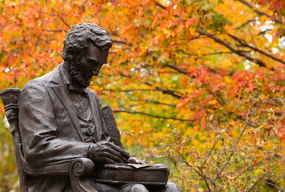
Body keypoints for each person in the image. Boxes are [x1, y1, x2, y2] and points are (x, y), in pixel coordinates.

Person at [19, 23, 179, 192]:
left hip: (100, 178)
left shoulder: (91, 96)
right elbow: (37, 148)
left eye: (101, 65)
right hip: (63, 183)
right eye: (92, 62)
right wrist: (90, 151)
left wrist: (127, 160)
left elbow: (103, 144)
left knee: (169, 188)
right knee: (136, 190)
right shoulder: (38, 90)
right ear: (71, 54)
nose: (96, 72)